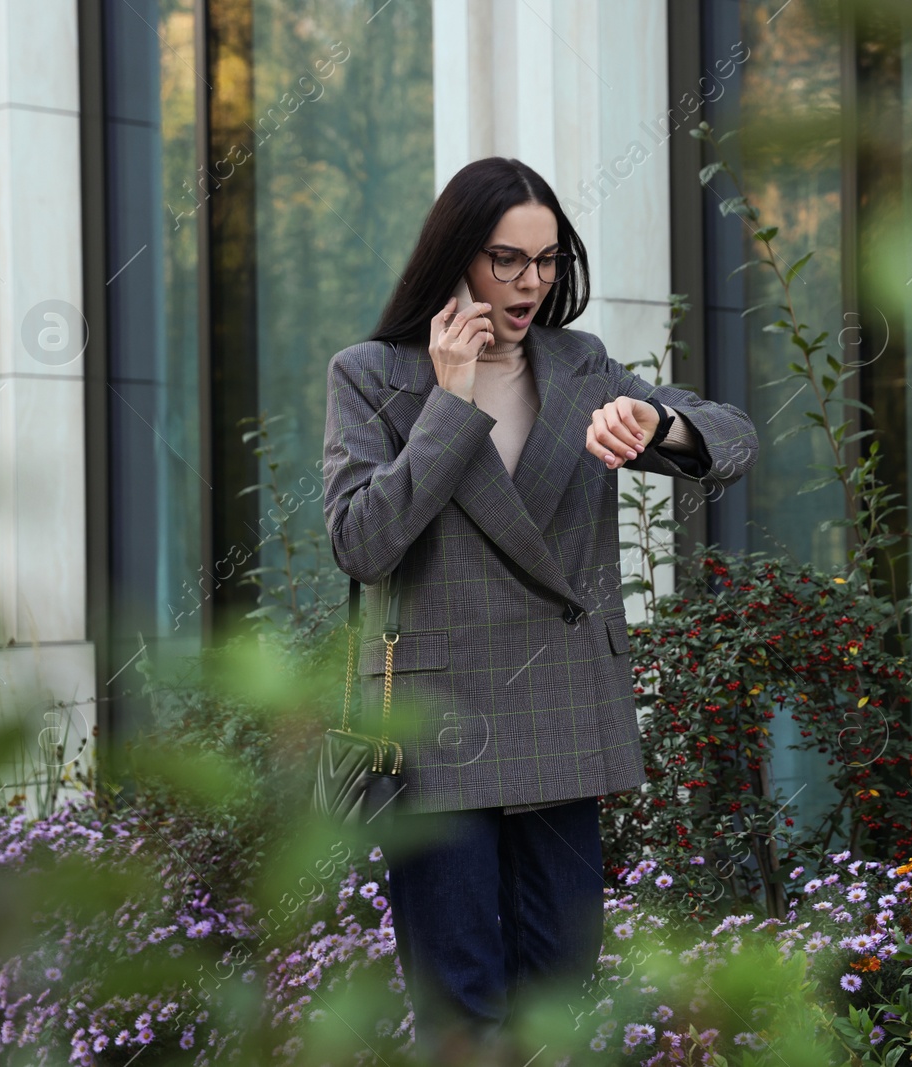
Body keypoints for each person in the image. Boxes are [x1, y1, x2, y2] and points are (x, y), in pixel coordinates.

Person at [321, 156, 759, 1061]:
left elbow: (734, 438)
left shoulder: (581, 365)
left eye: (549, 260)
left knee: (562, 996)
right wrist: (450, 401)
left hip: (560, 710)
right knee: (463, 1008)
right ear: (456, 258)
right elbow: (362, 542)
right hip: (436, 728)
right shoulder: (374, 376)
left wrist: (656, 426)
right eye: (507, 261)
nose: (531, 284)